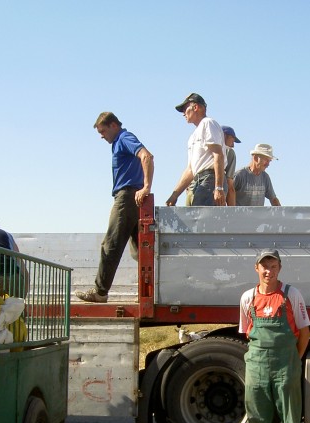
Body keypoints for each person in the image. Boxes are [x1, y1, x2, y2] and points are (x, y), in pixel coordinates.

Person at [238, 249, 310, 423]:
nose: (268, 270)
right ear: (256, 269)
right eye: (264, 266)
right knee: (257, 421)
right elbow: (247, 332)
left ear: (279, 268)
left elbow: (304, 332)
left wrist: (294, 360)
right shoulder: (248, 298)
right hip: (257, 365)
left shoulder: (292, 294)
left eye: (273, 265)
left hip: (286, 365)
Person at [77, 112, 154, 303]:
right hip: (134, 199)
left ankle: (100, 292)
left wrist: (146, 187)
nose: (102, 136)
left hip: (127, 198)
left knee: (110, 245)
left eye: (103, 131)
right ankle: (151, 293)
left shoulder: (124, 138)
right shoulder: (119, 142)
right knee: (142, 251)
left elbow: (147, 156)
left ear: (113, 125)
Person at [166, 93, 226, 207]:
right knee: (198, 220)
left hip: (210, 178)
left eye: (185, 108)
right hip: (200, 181)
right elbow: (190, 170)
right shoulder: (193, 136)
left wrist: (218, 187)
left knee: (202, 222)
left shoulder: (208, 123)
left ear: (195, 107)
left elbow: (218, 154)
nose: (183, 113)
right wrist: (175, 195)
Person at [222, 126, 240, 206]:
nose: (233, 145)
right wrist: (232, 214)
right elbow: (230, 186)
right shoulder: (229, 151)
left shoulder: (203, 147)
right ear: (224, 136)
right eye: (232, 141)